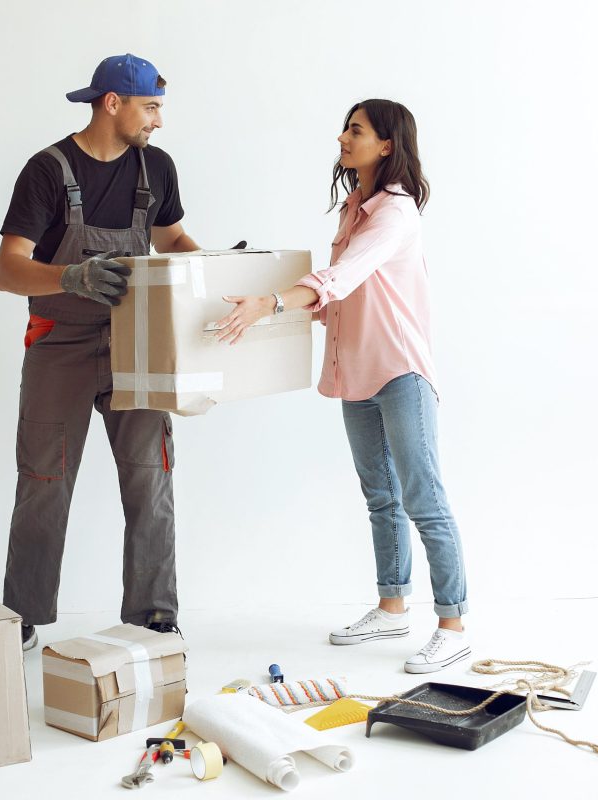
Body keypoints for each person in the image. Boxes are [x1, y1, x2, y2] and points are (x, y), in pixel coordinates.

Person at [215, 99, 469, 673]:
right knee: (380, 496)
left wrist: (272, 302)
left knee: (422, 496)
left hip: (400, 369)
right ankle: (392, 605)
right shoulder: (356, 207)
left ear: (386, 144)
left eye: (356, 130)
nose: (343, 137)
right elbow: (340, 299)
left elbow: (341, 278)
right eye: (345, 128)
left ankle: (453, 623)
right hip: (356, 371)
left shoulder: (396, 213)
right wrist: (265, 308)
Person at [0, 54, 201, 651]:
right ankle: (24, 617)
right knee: (44, 479)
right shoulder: (47, 170)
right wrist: (69, 278)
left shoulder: (155, 168)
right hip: (60, 344)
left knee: (150, 477)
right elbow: (8, 270)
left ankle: (153, 616)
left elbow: (172, 240)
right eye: (152, 107)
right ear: (113, 102)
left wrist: (210, 270)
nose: (159, 121)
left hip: (139, 342)